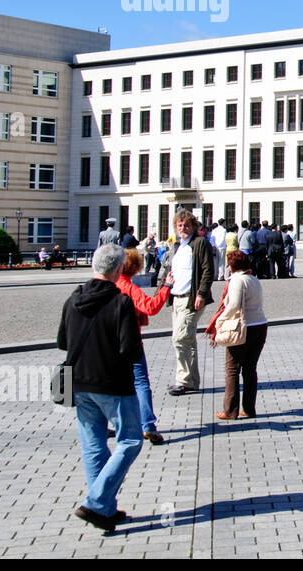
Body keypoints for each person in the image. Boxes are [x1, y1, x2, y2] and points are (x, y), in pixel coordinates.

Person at [57, 243, 143, 532]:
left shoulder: (72, 298)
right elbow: (130, 350)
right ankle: (96, 502)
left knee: (93, 445)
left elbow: (63, 343)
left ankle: (104, 509)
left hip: (79, 381)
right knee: (130, 440)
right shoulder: (121, 302)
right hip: (113, 383)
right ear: (119, 270)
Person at [114, 249, 172, 445]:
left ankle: (116, 423)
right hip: (131, 342)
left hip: (109, 344)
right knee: (140, 383)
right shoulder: (129, 288)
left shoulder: (110, 286)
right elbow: (151, 307)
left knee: (115, 384)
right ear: (135, 268)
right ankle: (147, 425)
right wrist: (166, 287)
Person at [209, 251, 269, 420]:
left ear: (232, 265)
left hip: (242, 328)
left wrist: (219, 320)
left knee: (232, 369)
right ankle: (249, 408)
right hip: (260, 325)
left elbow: (234, 305)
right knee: (250, 369)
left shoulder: (236, 280)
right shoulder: (254, 279)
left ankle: (230, 410)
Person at [167, 211, 215, 396]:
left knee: (179, 338)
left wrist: (201, 293)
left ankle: (183, 381)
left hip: (191, 297)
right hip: (177, 297)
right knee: (188, 340)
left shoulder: (200, 243)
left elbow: (207, 270)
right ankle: (192, 381)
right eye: (179, 225)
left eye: (186, 225)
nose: (182, 228)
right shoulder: (180, 245)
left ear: (193, 226)